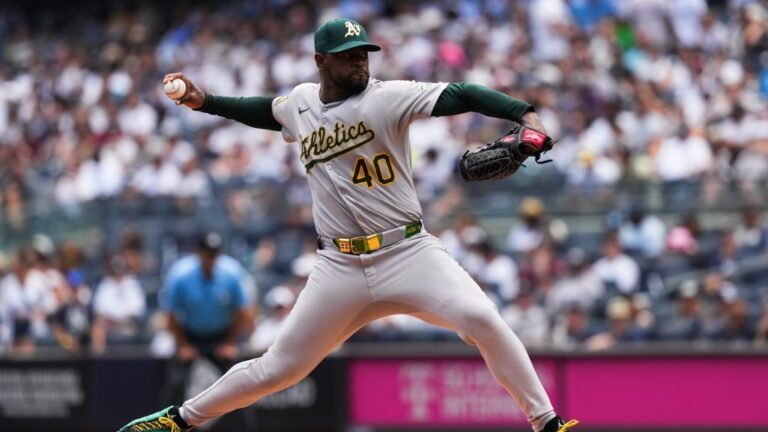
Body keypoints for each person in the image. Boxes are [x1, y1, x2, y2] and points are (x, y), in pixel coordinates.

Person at [119, 18, 577, 432]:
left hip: (408, 251)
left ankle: (547, 423)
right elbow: (262, 110)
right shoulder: (301, 103)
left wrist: (525, 114)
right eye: (348, 55)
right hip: (338, 267)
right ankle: (177, 420)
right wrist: (204, 102)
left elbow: (462, 93)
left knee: (483, 319)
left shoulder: (387, 97)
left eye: (363, 53)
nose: (360, 61)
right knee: (278, 369)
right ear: (321, 61)